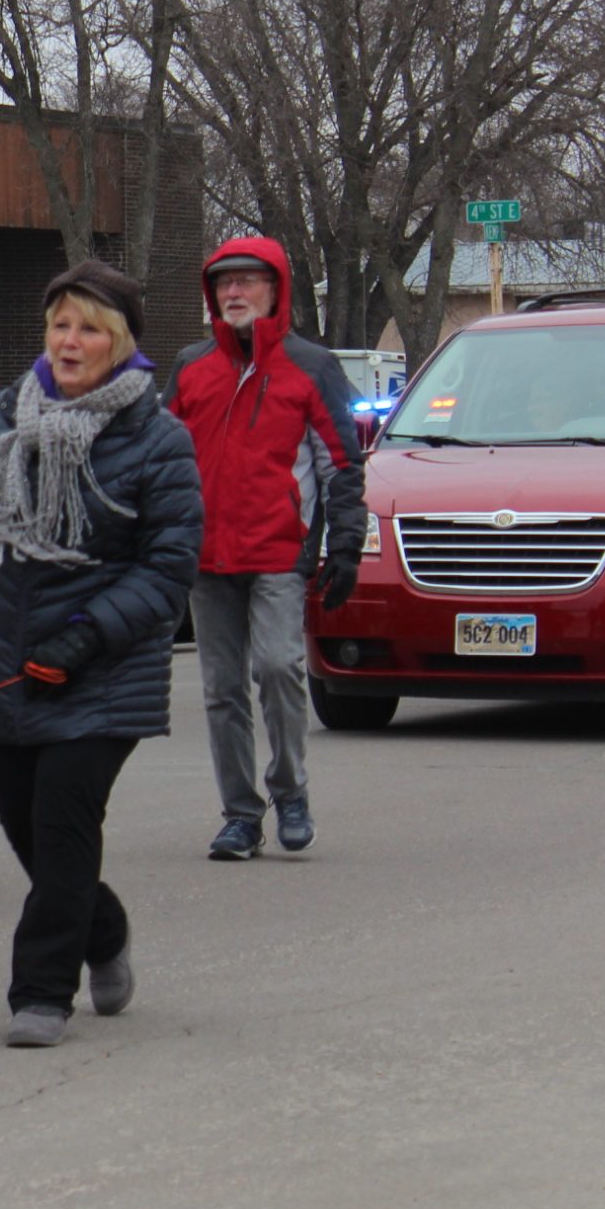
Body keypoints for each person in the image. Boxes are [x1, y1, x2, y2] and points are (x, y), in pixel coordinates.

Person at [0, 260, 202, 1047]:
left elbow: (169, 567)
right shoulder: (11, 409)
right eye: (61, 324)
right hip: (8, 656)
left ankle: (42, 992)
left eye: (89, 327)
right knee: (27, 831)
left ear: (121, 343)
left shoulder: (158, 438)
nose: (69, 340)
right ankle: (105, 927)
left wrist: (90, 632)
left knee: (62, 824)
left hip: (102, 665)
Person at [164, 237, 365, 861]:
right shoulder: (191, 367)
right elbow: (160, 460)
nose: (235, 293)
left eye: (248, 281)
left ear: (275, 290)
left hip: (281, 552)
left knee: (278, 668)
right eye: (224, 284)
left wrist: (346, 545)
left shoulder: (312, 366)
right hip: (207, 558)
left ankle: (291, 792)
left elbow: (340, 463)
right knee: (222, 690)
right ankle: (240, 816)